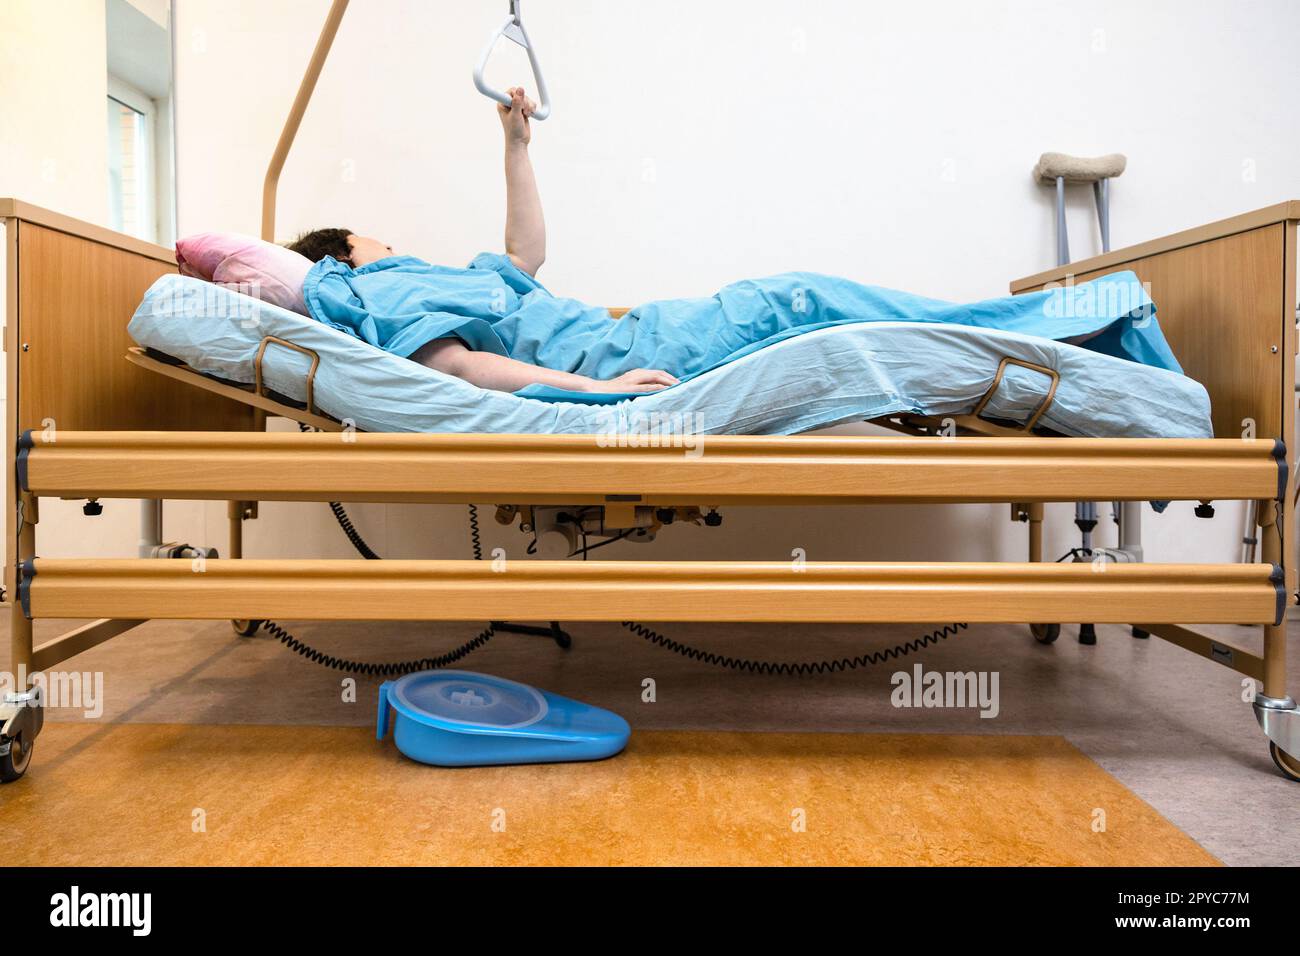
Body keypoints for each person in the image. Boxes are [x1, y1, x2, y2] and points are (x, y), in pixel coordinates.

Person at [289, 89, 1180, 401]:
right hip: (659, 348)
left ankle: (1081, 320)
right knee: (851, 310)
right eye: (374, 234)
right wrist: (597, 388)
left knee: (869, 315)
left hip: (672, 329)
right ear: (346, 254)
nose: (390, 236)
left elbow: (524, 254)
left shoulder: (440, 278)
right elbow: (462, 374)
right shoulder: (380, 287)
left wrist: (516, 146)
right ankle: (1085, 318)